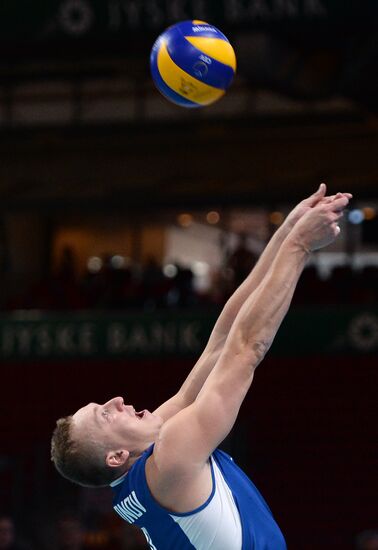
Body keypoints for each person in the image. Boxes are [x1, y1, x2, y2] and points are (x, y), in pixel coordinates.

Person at [51, 184, 351, 549]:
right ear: (115, 457)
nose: (116, 400)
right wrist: (300, 246)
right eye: (105, 415)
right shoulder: (170, 459)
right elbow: (245, 350)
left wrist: (286, 233)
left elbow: (221, 342)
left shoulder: (149, 458)